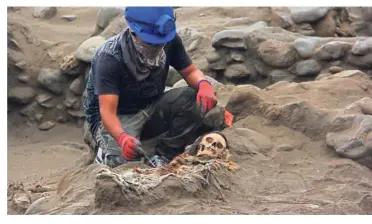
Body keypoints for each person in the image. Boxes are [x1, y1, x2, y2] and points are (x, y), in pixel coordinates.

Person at [83, 7, 218, 168]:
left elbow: (190, 71)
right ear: (134, 30)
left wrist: (203, 84)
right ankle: (104, 151)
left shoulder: (170, 41)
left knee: (194, 100)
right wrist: (123, 138)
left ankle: (164, 154)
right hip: (117, 115)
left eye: (161, 42)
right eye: (151, 42)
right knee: (121, 165)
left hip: (151, 104)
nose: (157, 46)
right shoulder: (110, 57)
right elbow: (107, 112)